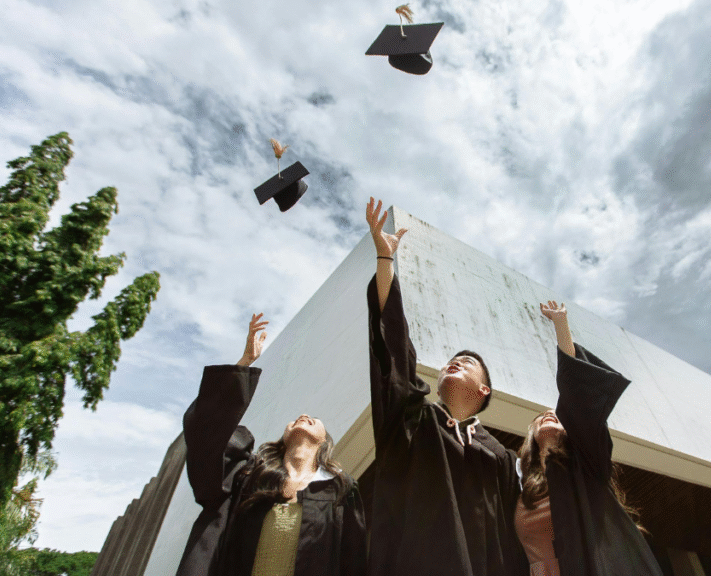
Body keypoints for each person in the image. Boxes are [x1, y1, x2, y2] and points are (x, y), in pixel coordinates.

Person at [364, 198, 528, 576]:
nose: (454, 361)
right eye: (450, 361)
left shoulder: (502, 460)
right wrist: (385, 261)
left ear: (485, 391)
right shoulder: (409, 419)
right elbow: (392, 348)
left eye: (468, 362)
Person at [175, 313, 366, 576]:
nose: (304, 416)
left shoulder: (341, 488)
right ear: (284, 437)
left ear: (324, 441)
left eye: (314, 419)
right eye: (296, 418)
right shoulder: (248, 474)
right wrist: (244, 364)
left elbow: (353, 561)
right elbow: (207, 435)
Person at [515, 301, 663, 576]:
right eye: (541, 416)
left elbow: (576, 393)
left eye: (557, 415)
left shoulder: (586, 464)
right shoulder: (520, 484)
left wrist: (561, 325)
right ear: (531, 432)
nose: (550, 415)